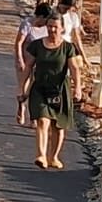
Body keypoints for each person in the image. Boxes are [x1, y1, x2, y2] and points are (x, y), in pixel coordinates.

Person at [19, 10, 86, 169]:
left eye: (55, 27)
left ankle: (53, 157)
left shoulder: (68, 48)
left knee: (58, 125)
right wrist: (21, 88)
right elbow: (28, 67)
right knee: (42, 121)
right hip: (40, 88)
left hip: (60, 90)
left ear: (62, 28)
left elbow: (74, 69)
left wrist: (77, 88)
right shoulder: (37, 46)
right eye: (49, 27)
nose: (52, 30)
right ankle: (41, 155)